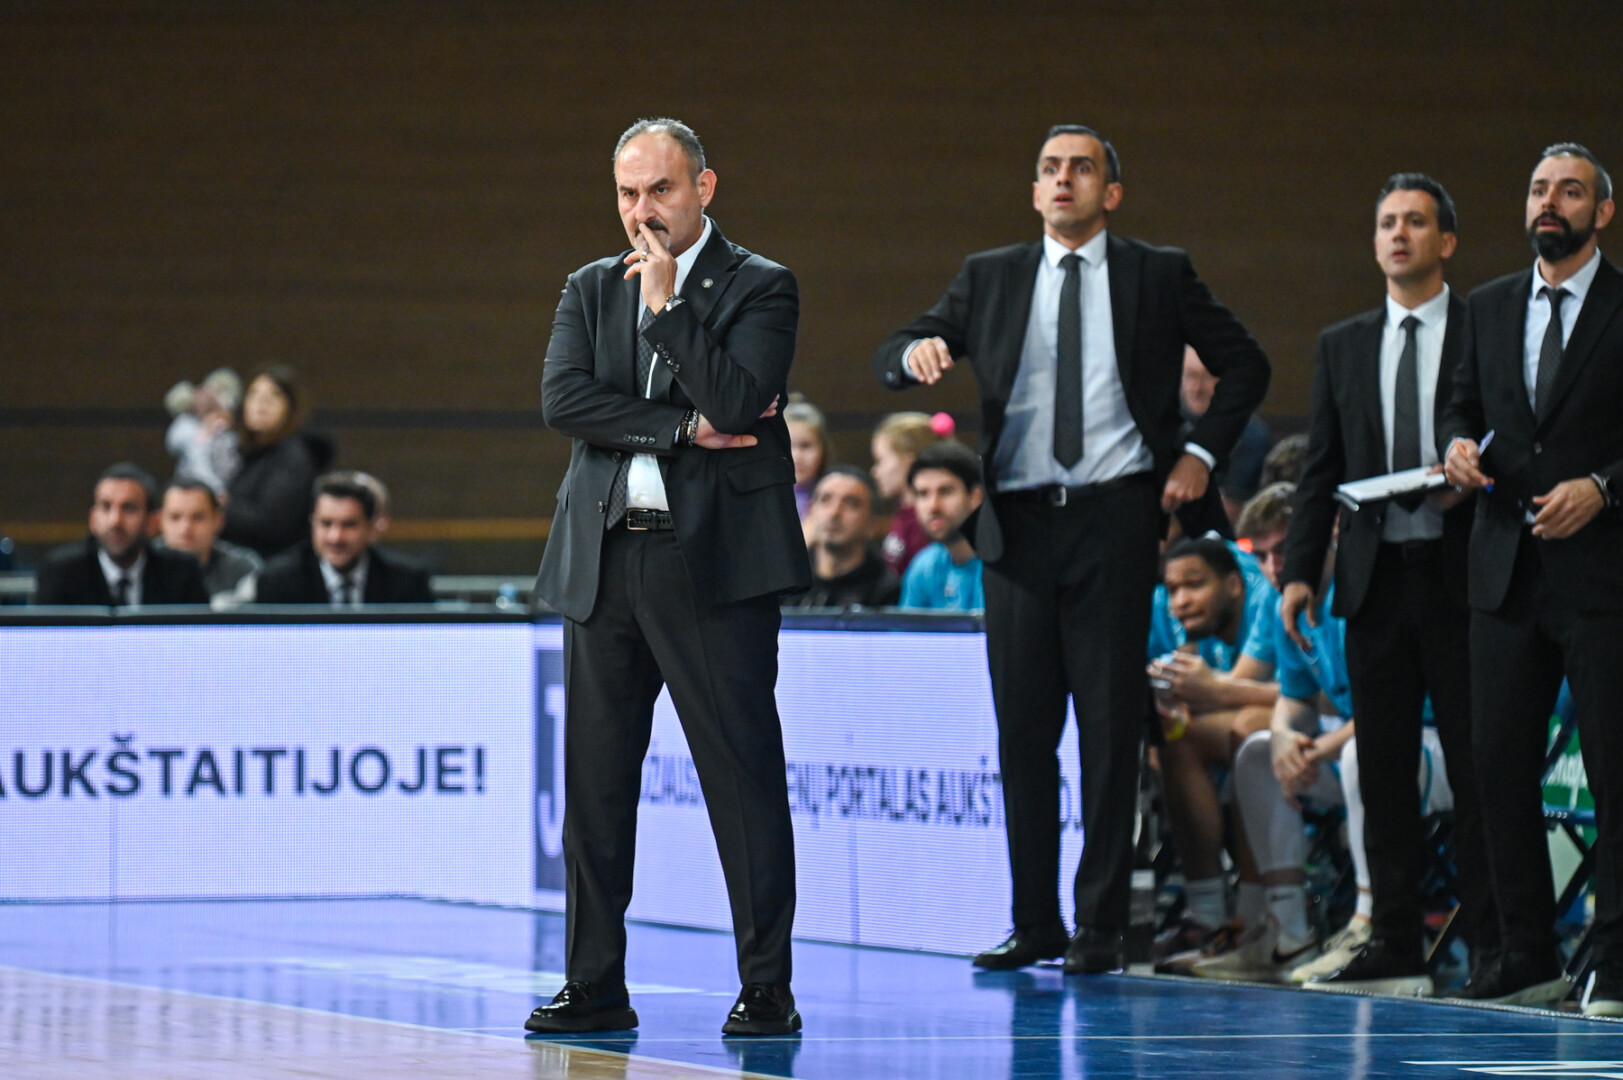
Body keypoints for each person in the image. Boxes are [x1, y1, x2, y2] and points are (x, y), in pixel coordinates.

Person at [874, 123, 1270, 974]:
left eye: (1081, 169)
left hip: (1115, 518)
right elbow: (891, 355)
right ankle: (1034, 922)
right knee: (1022, 732)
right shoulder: (990, 275)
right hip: (1016, 528)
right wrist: (914, 351)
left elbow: (1246, 364)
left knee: (1108, 730)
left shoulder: (1156, 272)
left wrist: (1200, 457)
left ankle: (1099, 926)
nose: (1063, 180)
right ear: (1033, 191)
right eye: (1049, 169)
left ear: (1109, 192)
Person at [529, 118, 808, 1037]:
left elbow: (738, 399)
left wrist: (666, 309)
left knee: (741, 777)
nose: (641, 211)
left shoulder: (761, 285)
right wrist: (682, 429)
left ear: (704, 187)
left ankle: (765, 986)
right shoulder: (586, 286)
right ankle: (593, 985)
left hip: (713, 565)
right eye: (627, 193)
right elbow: (564, 400)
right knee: (595, 787)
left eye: (661, 190)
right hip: (605, 556)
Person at [1280, 173, 1490, 994]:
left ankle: (1494, 944)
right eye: (1386, 223)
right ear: (1373, 243)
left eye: (1415, 222)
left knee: (1476, 765)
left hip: (1461, 573)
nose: (1398, 234)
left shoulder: (1481, 327)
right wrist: (1298, 573)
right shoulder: (1342, 343)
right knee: (1382, 767)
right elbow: (1319, 469)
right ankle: (1394, 940)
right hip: (1374, 580)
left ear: (1446, 241)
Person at [1442, 143, 1623, 1013]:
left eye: (1570, 191)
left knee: (1613, 769)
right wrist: (1454, 443)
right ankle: (1523, 952)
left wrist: (1604, 488)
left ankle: (1614, 958)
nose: (1549, 202)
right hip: (1503, 567)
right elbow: (1461, 404)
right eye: (1538, 189)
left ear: (1602, 212)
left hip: (1602, 574)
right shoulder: (1485, 305)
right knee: (1496, 766)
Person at [1203, 483, 1456, 990]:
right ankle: (1288, 932)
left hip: (1433, 747)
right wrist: (1283, 738)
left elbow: (1394, 705)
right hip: (1361, 750)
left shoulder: (1365, 589)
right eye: (1262, 555)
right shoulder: (1286, 605)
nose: (1275, 566)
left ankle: (1368, 922)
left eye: (1284, 549)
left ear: (1327, 534)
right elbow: (1295, 697)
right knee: (1256, 752)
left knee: (1367, 751)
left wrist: (1323, 747)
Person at [1148, 536, 1279, 968]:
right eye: (1173, 590)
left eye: (1194, 585)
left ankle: (1255, 915)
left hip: (1324, 734)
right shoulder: (1188, 625)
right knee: (1175, 735)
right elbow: (1229, 689)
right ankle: (1206, 913)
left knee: (1249, 729)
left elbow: (1310, 697)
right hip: (1265, 735)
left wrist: (1212, 690)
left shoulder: (1270, 600)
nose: (1181, 601)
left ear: (1234, 585)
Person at [34, 463, 209, 607]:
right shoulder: (61, 572)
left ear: (152, 522)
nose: (115, 521)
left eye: (129, 508)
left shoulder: (181, 572)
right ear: (93, 519)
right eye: (106, 507)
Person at [253, 472, 433, 605]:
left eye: (349, 525)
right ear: (312, 524)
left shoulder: (407, 582)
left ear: (370, 527)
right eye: (326, 524)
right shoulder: (277, 582)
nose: (336, 537)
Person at [220, 365, 334, 559]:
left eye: (274, 395)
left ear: (290, 407)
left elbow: (272, 523)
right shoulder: (250, 453)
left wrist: (221, 506)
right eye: (253, 394)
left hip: (273, 565)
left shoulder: (293, 456)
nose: (261, 403)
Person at [1182, 345, 1272, 524]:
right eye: (1190, 375)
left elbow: (1229, 510)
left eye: (1208, 377)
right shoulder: (1160, 425)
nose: (1196, 388)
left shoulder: (1251, 437)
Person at [794, 466, 901, 608]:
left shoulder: (887, 592)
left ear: (872, 524)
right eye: (825, 500)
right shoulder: (787, 580)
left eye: (851, 504)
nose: (834, 513)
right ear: (810, 511)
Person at [898, 442, 985, 611]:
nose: (933, 506)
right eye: (923, 494)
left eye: (945, 491)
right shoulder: (924, 566)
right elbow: (905, 628)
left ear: (975, 497)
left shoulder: (1001, 569)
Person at [155, 478, 262, 605]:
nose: (185, 528)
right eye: (175, 517)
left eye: (197, 517)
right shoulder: (141, 564)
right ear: (159, 520)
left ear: (218, 521)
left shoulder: (243, 569)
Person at [871, 411, 938, 576]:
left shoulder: (928, 520)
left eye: (880, 461)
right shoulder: (903, 510)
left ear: (909, 463)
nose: (875, 471)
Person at [784, 397, 834, 525]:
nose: (797, 456)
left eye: (805, 446)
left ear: (823, 449)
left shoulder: (835, 497)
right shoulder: (761, 498)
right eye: (787, 446)